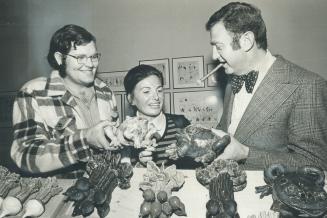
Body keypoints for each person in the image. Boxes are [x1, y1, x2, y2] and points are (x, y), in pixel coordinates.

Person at [206, 2, 327, 170]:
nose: (214, 56)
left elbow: (315, 163)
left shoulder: (307, 86)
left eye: (219, 47)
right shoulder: (232, 80)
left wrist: (246, 154)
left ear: (247, 41)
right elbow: (231, 133)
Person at [11, 24, 119, 178]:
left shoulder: (105, 91)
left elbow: (114, 146)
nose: (90, 64)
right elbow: (26, 155)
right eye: (80, 57)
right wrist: (85, 139)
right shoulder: (33, 93)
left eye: (94, 56)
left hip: (107, 189)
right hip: (61, 196)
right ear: (59, 58)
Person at [123, 64, 198, 168]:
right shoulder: (122, 134)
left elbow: (195, 166)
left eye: (159, 90)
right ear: (131, 99)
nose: (156, 97)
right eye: (146, 91)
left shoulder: (181, 124)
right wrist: (139, 164)